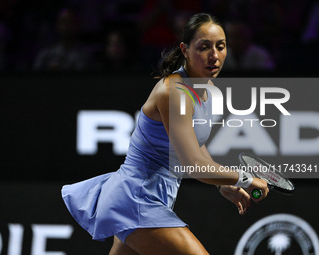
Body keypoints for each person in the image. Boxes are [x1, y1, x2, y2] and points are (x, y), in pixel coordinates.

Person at [61, 13, 269, 255]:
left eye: (220, 47)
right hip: (136, 197)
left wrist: (222, 183)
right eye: (204, 47)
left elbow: (195, 143)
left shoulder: (210, 91)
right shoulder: (174, 92)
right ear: (185, 50)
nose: (214, 55)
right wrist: (244, 178)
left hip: (153, 198)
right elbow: (193, 165)